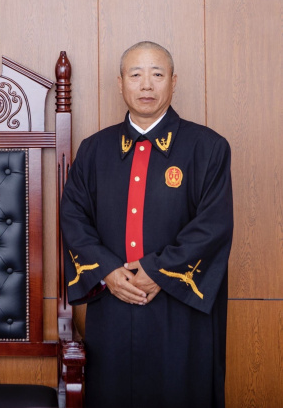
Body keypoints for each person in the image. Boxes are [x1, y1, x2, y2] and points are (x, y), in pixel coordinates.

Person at [60, 41, 233, 408]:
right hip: (113, 299)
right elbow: (73, 216)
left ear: (173, 81)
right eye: (136, 75)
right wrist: (107, 270)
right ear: (120, 82)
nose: (146, 85)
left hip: (182, 307)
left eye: (157, 74)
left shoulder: (208, 147)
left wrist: (157, 270)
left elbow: (213, 225)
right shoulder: (93, 149)